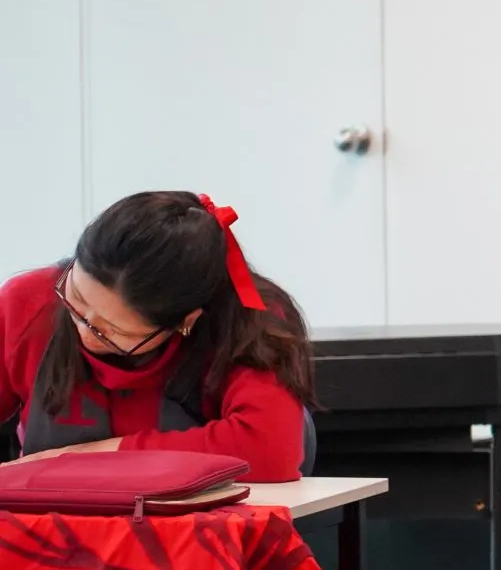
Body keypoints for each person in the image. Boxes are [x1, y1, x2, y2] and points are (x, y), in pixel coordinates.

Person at [0, 191, 315, 482]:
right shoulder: (28, 302)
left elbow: (269, 450)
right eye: (76, 300)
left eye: (113, 331)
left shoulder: (251, 320)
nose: (85, 334)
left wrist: (81, 460)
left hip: (201, 532)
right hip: (51, 525)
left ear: (185, 321)